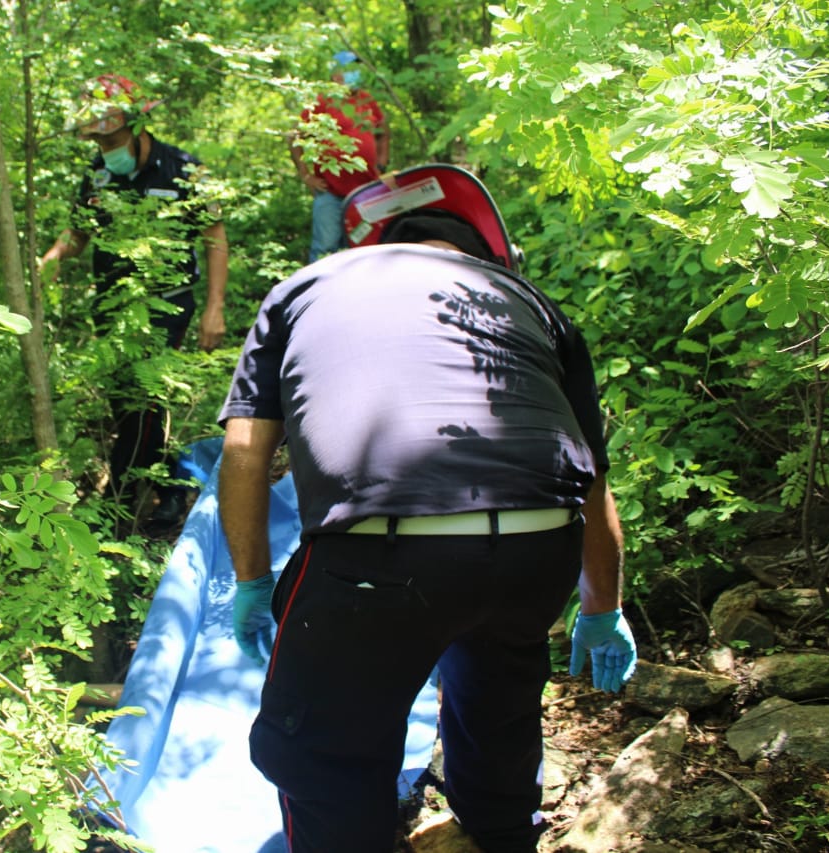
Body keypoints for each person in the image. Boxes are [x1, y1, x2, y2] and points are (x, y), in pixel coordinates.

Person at [218, 164, 638, 852]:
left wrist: (253, 579)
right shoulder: (531, 303)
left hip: (376, 558)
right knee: (497, 706)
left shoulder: (304, 289)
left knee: (323, 759)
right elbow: (591, 479)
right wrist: (602, 609)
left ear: (371, 244)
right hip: (539, 550)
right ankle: (500, 833)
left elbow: (244, 451)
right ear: (483, 254)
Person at [41, 74, 229, 529]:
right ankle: (170, 487)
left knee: (144, 400)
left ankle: (121, 498)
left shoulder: (183, 169)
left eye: (112, 138)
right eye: (98, 140)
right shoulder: (97, 173)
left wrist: (213, 307)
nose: (107, 149)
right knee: (125, 400)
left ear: (138, 127)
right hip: (112, 307)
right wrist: (54, 254)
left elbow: (215, 235)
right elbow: (79, 232)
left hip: (166, 301)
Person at [289, 50, 389, 262]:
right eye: (350, 69)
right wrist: (306, 175)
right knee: (324, 250)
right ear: (336, 75)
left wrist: (381, 165)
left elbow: (383, 133)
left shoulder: (367, 101)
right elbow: (295, 138)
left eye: (357, 69)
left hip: (366, 192)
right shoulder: (323, 103)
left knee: (364, 249)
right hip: (331, 192)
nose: (356, 74)